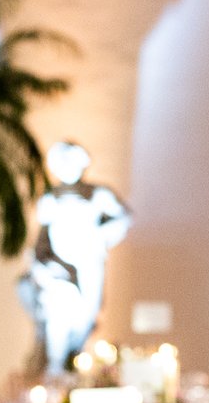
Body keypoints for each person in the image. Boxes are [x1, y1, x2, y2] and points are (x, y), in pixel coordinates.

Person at [17, 141, 131, 372]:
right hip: (61, 267)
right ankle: (56, 366)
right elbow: (41, 237)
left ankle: (73, 359)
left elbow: (124, 218)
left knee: (87, 317)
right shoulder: (50, 199)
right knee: (58, 315)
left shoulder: (98, 194)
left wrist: (100, 236)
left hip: (89, 264)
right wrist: (40, 262)